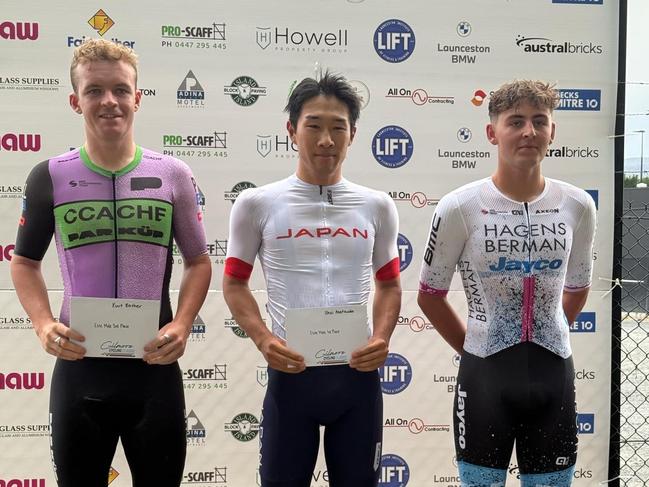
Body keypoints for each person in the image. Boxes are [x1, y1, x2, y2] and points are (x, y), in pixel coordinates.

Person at [11, 38, 211, 487]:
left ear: (138, 98)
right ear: (74, 100)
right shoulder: (50, 175)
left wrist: (181, 324)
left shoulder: (172, 174)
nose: (109, 101)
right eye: (94, 90)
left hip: (153, 371)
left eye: (121, 90)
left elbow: (198, 260)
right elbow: (24, 261)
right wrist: (43, 323)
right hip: (80, 369)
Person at [223, 72, 402, 487]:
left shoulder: (377, 205)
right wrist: (264, 339)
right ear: (291, 130)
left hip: (356, 379)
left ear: (353, 134)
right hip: (292, 378)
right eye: (314, 126)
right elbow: (233, 284)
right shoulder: (256, 203)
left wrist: (382, 337)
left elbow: (390, 285)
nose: (326, 140)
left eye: (338, 127)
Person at [417, 80, 596, 487]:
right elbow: (430, 295)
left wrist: (551, 327)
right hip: (485, 377)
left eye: (539, 121)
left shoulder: (578, 205)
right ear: (492, 132)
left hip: (554, 373)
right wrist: (475, 344)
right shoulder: (460, 206)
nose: (529, 132)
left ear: (553, 132)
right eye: (516, 121)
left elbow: (579, 284)